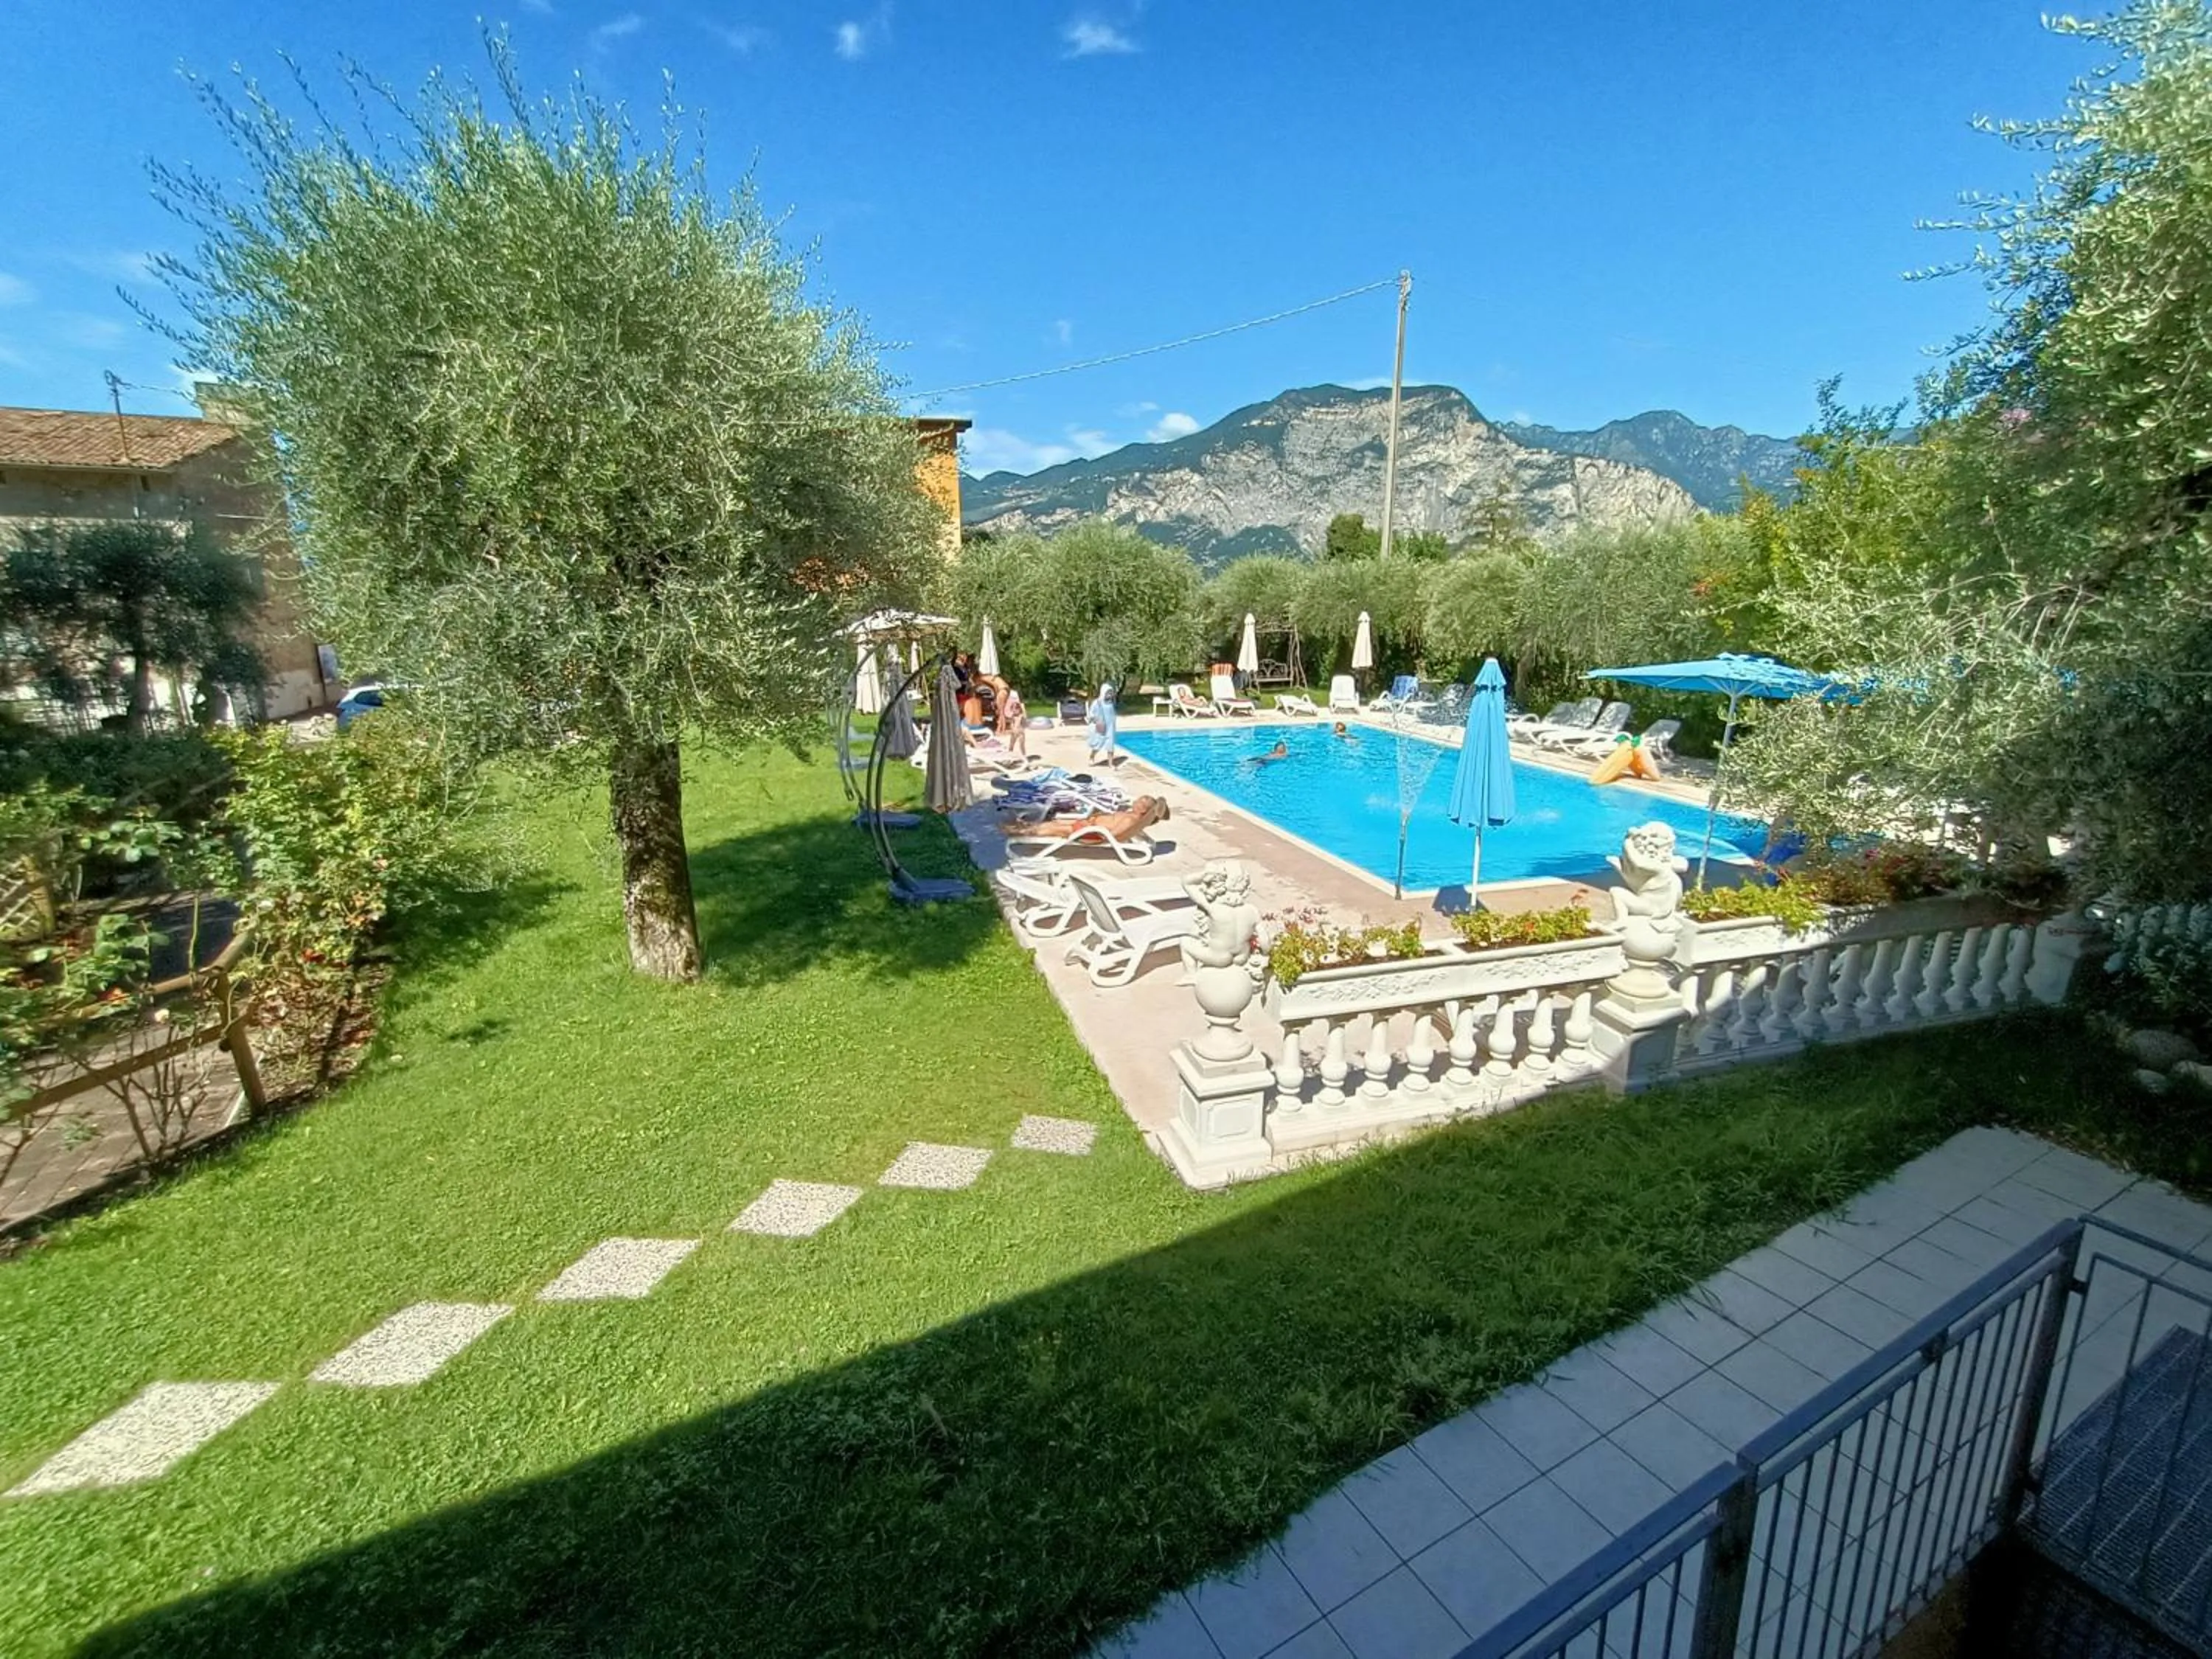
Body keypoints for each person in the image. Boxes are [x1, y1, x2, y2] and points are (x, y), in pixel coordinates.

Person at [1087, 683, 1119, 765]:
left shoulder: (1111, 703)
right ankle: (1092, 756)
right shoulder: (1097, 703)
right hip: (1101, 728)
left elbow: (1112, 715)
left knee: (1110, 747)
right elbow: (1091, 714)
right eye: (1108, 692)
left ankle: (1111, 764)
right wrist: (1096, 720)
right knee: (1098, 745)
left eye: (1111, 693)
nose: (1110, 695)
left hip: (1110, 728)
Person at [997, 683, 1028, 759]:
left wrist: (1024, 714)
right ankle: (1009, 757)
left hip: (1020, 733)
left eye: (1016, 709)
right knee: (1011, 744)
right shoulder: (1013, 716)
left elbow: (1021, 722)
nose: (1014, 711)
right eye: (1013, 709)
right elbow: (1012, 724)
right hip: (1015, 733)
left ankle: (1024, 757)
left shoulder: (1019, 716)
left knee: (1021, 746)